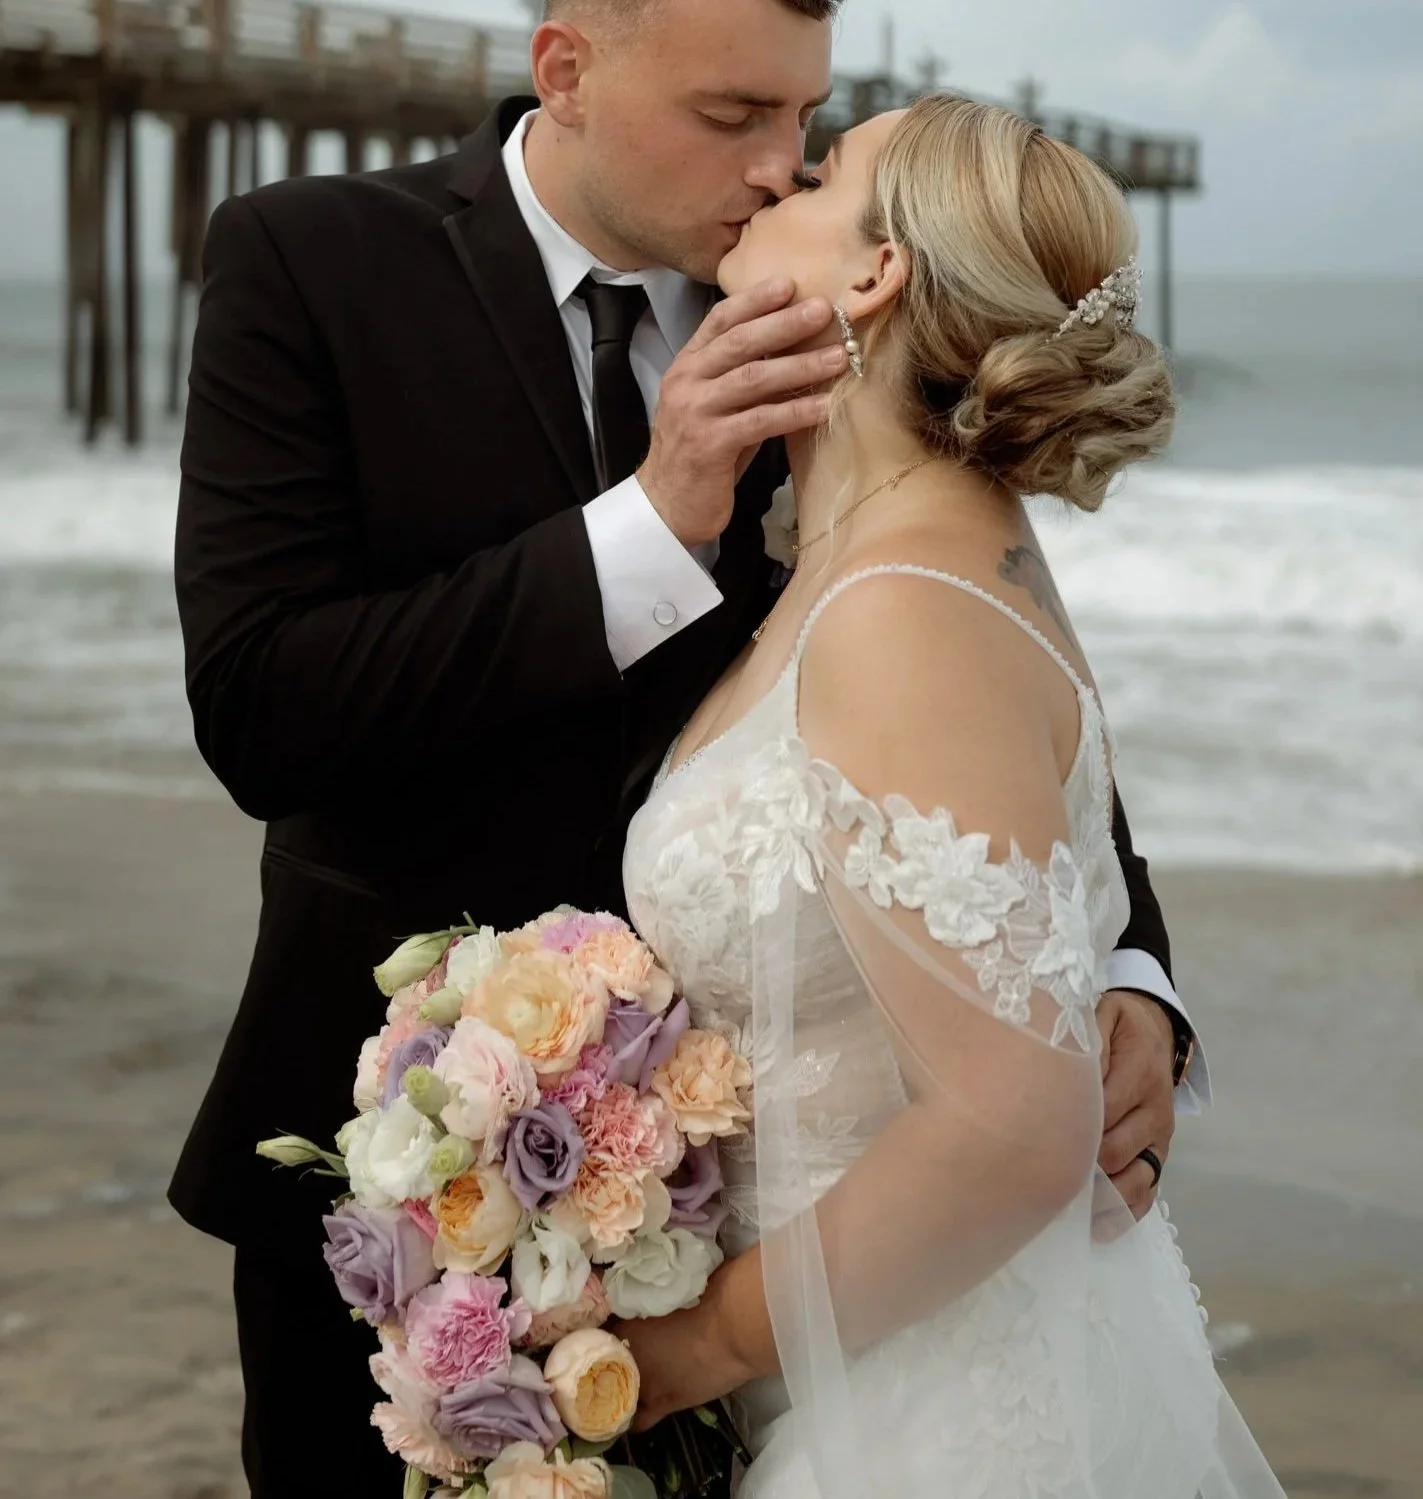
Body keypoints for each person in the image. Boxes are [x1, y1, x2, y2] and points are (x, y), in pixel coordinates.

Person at [168, 1, 1204, 1491]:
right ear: (569, 70)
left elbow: (977, 699)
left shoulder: (859, 411)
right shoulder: (311, 261)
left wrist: (1123, 971)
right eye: (734, 118)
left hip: (784, 1251)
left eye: (808, 119)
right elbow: (263, 709)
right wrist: (649, 527)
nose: (780, 167)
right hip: (407, 1202)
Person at [612, 95, 1281, 1497]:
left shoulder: (903, 606)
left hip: (925, 1410)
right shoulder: (901, 557)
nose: (782, 175)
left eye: (826, 170)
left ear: (874, 274)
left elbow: (1008, 1126)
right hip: (875, 1355)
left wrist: (695, 1345)